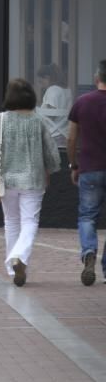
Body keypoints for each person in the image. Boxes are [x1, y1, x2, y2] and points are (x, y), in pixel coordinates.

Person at [0, 79, 60, 287]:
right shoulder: (39, 121)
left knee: (11, 221)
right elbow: (51, 151)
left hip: (7, 179)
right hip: (33, 179)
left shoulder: (1, 119)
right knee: (30, 222)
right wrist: (52, 168)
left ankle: (12, 267)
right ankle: (20, 257)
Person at [67, 59, 106, 286]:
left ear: (96, 78)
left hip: (90, 169)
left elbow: (71, 138)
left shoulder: (82, 102)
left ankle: (89, 252)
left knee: (87, 216)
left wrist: (73, 165)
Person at [37, 63, 73, 146]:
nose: (41, 85)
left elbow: (51, 115)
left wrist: (37, 113)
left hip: (53, 134)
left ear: (47, 78)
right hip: (65, 133)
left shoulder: (52, 90)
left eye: (41, 81)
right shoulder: (67, 89)